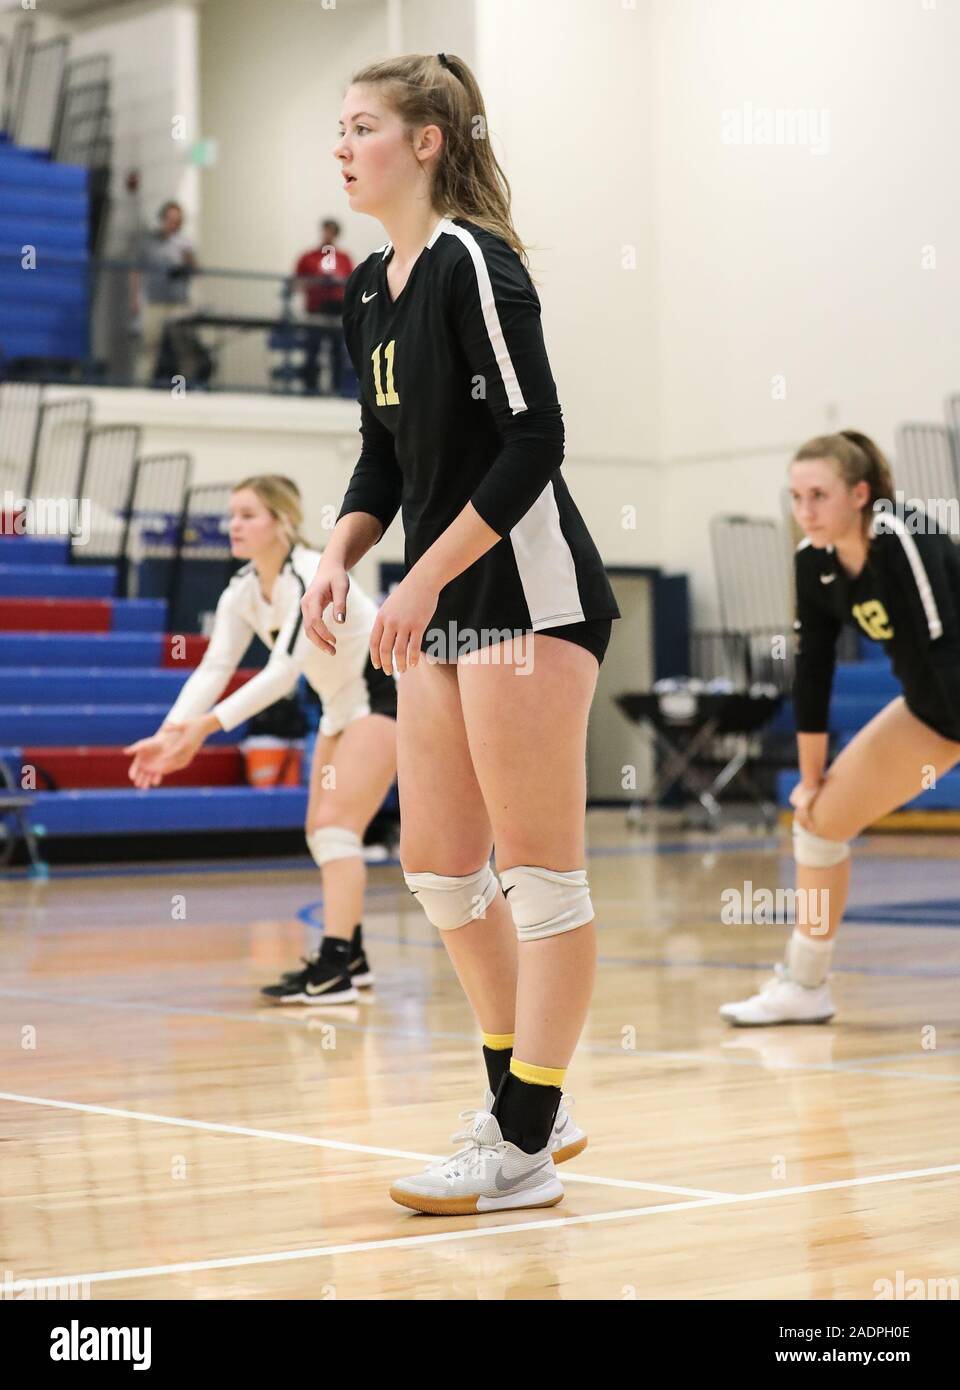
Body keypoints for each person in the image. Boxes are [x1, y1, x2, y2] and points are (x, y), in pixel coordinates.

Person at [299, 52, 622, 1215]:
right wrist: (341, 551)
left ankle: (524, 1139)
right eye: (337, 128)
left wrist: (422, 579)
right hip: (436, 601)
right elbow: (385, 456)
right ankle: (523, 1097)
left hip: (524, 592)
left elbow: (536, 442)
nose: (342, 145)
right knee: (439, 869)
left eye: (362, 125)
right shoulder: (369, 288)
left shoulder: (472, 263)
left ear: (427, 140)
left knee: (538, 876)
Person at [124, 475, 398, 1004]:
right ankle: (353, 957)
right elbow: (213, 667)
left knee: (338, 832)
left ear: (283, 522)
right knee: (322, 835)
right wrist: (169, 733)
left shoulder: (308, 575)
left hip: (387, 698)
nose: (234, 525)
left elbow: (283, 673)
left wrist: (205, 730)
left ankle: (335, 968)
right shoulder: (243, 590)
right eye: (232, 515)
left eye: (248, 515)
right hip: (339, 708)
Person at [721, 430, 960, 1026]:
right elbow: (813, 672)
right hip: (934, 712)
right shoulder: (812, 562)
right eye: (796, 498)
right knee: (820, 823)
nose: (805, 512)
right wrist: (809, 780)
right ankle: (804, 985)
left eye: (818, 496)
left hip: (950, 686)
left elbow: (946, 646)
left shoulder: (904, 533)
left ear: (859, 494)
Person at [130, 200, 198, 386]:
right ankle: (140, 389)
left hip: (178, 302)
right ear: (162, 219)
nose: (173, 224)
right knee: (149, 347)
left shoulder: (185, 243)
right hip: (155, 301)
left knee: (183, 349)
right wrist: (136, 298)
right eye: (170, 220)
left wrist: (189, 258)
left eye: (177, 221)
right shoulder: (149, 243)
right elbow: (136, 271)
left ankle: (183, 389)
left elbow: (196, 271)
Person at [294, 219, 355, 394]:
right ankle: (310, 388)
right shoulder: (308, 257)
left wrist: (337, 282)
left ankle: (336, 389)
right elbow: (297, 282)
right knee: (312, 350)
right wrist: (316, 283)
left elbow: (352, 282)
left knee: (337, 352)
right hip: (315, 309)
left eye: (331, 232)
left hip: (337, 312)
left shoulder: (344, 258)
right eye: (326, 231)